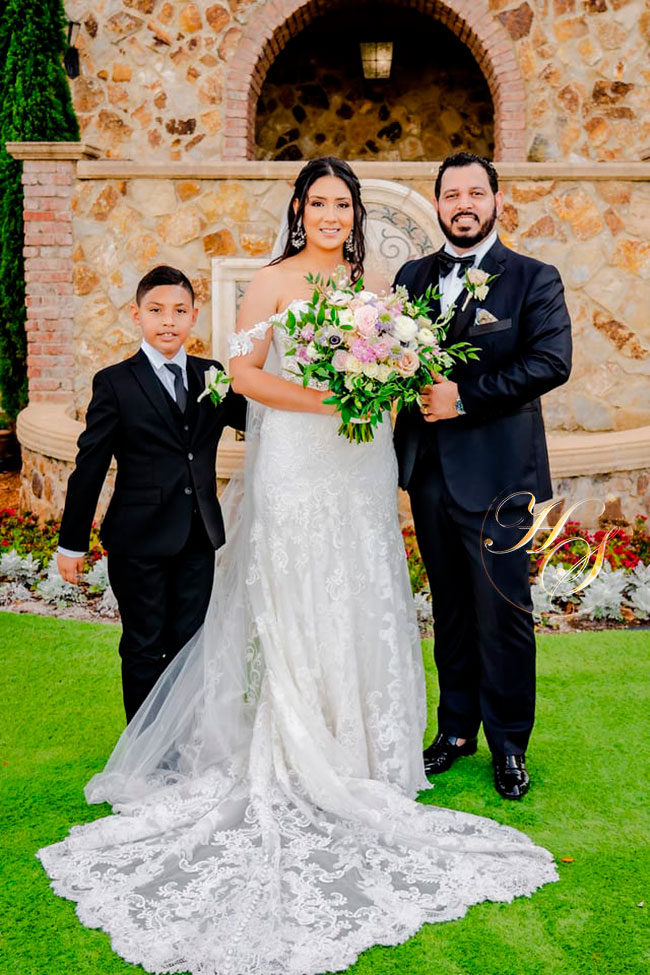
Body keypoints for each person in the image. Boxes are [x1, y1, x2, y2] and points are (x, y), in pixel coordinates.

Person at [39, 158, 557, 975]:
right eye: (318, 203)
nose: (331, 215)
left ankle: (365, 746)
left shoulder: (378, 287)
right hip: (296, 460)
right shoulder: (270, 282)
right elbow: (243, 375)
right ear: (299, 209)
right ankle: (297, 742)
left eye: (342, 204)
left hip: (358, 464)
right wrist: (327, 400)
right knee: (297, 591)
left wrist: (379, 384)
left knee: (361, 591)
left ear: (355, 214)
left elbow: (405, 368)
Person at [394, 152, 572, 800]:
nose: (463, 203)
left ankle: (509, 743)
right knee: (450, 610)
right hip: (430, 473)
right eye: (452, 194)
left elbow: (551, 361)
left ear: (498, 201)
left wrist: (464, 397)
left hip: (500, 478)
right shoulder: (411, 277)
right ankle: (455, 730)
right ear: (438, 204)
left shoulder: (533, 278)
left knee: (504, 613)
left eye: (475, 192)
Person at [56, 265, 247, 721]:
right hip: (137, 541)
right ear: (136, 314)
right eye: (157, 310)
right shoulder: (115, 382)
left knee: (189, 647)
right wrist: (71, 543)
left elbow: (254, 419)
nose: (168, 321)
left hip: (198, 536)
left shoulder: (212, 375)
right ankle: (143, 749)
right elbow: (90, 465)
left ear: (194, 316)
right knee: (144, 645)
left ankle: (181, 744)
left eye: (179, 311)